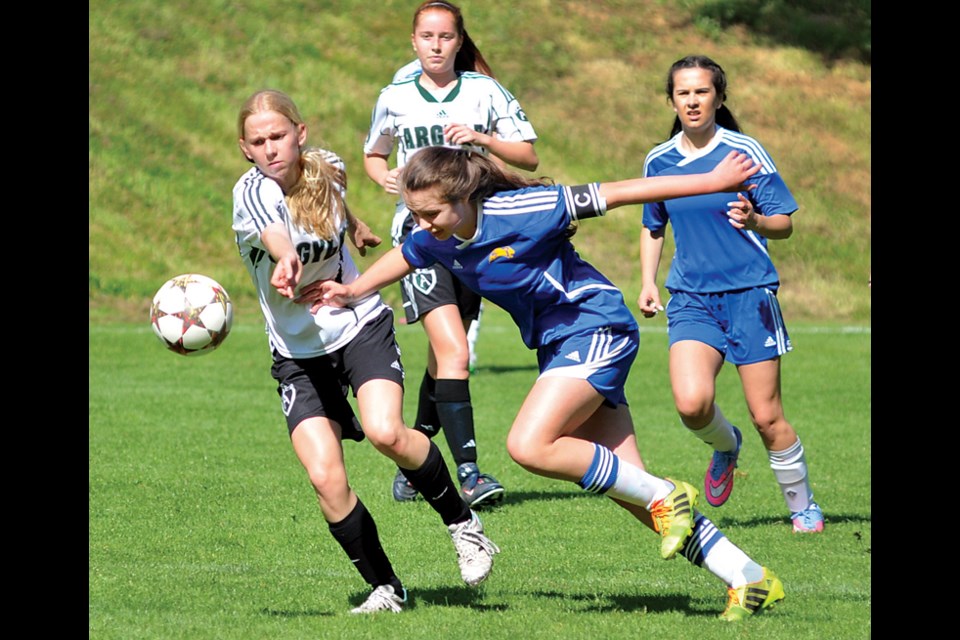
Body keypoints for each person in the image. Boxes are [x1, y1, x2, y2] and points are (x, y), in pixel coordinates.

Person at [306, 146, 786, 621]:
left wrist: (714, 180)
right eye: (415, 213)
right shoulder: (437, 233)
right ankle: (748, 577)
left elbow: (620, 192)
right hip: (559, 346)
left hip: (596, 326)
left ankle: (667, 493)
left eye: (430, 212)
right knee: (638, 495)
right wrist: (352, 289)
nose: (423, 223)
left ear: (463, 195)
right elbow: (407, 255)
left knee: (528, 445)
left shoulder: (524, 209)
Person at [231, 90, 500, 614]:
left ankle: (465, 527)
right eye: (258, 141)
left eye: (278, 136)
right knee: (325, 478)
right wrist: (286, 262)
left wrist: (355, 227)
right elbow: (275, 233)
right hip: (297, 354)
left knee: (386, 432)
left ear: (299, 134)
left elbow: (331, 197)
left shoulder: (328, 167)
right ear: (245, 148)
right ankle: (387, 588)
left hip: (359, 326)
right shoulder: (251, 193)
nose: (270, 149)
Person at [363, 0, 540, 508]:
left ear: (459, 42)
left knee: (447, 358)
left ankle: (412, 458)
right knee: (456, 353)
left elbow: (528, 153)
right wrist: (386, 177)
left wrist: (481, 139)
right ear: (413, 42)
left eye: (445, 37)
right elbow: (375, 154)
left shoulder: (484, 91)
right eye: (427, 36)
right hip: (418, 238)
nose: (436, 45)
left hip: (473, 238)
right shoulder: (394, 96)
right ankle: (469, 474)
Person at [637, 55, 823, 534]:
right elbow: (652, 226)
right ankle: (725, 445)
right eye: (683, 92)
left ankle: (802, 505)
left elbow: (783, 222)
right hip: (691, 298)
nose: (693, 101)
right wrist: (647, 281)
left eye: (702, 91)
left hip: (749, 296)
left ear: (719, 97)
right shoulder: (659, 160)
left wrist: (757, 221)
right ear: (672, 99)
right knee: (691, 404)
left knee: (768, 417)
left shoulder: (744, 152)